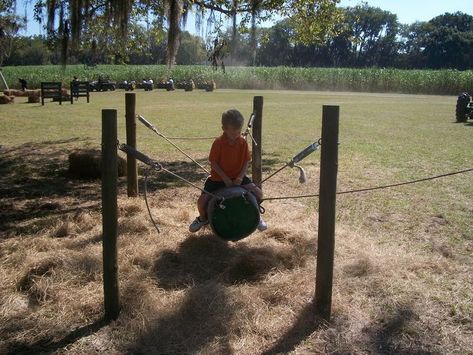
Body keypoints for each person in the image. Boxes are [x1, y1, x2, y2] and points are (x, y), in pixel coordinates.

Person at [189, 109, 267, 233]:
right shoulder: (218, 143)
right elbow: (213, 162)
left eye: (238, 132)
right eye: (232, 133)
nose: (236, 135)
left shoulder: (242, 142)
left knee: (258, 193)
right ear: (224, 128)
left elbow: (247, 161)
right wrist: (224, 178)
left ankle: (256, 215)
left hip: (237, 177)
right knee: (201, 202)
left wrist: (240, 178)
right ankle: (203, 219)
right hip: (218, 179)